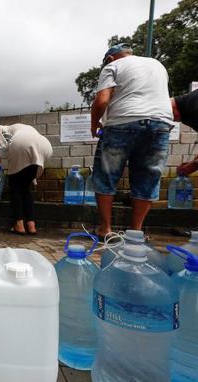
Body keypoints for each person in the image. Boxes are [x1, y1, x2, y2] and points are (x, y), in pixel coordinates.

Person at [90, 43, 173, 238]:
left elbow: (102, 100)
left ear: (110, 59)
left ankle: (105, 229)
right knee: (148, 178)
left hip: (122, 123)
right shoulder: (157, 65)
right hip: (160, 124)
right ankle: (135, 232)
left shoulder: (113, 66)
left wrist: (94, 123)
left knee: (106, 176)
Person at [0, 124, 52, 235]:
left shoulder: (3, 128)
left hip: (22, 144)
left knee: (15, 188)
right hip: (44, 145)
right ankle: (31, 225)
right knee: (25, 188)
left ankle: (19, 225)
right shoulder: (22, 128)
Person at [172, 89, 198, 176]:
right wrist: (193, 163)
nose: (174, 121)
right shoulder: (187, 110)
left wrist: (194, 165)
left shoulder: (193, 106)